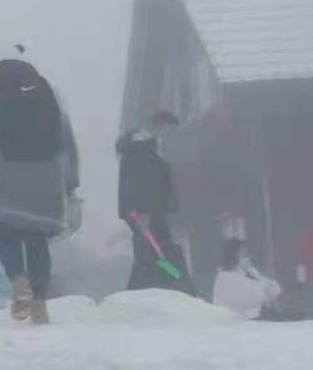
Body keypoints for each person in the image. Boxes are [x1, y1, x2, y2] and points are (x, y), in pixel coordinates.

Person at [0, 55, 80, 324]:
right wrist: (71, 185)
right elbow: (66, 142)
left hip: (2, 181)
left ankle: (19, 282)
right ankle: (40, 304)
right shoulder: (47, 96)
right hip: (45, 182)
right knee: (38, 243)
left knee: (6, 237)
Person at [118, 111, 193, 295]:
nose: (169, 134)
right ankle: (137, 296)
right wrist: (142, 214)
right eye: (169, 129)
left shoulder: (144, 148)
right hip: (145, 213)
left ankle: (174, 289)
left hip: (151, 212)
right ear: (160, 125)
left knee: (160, 254)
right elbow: (140, 185)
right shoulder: (140, 150)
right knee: (148, 257)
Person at [210, 238, 283, 320]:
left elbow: (275, 289)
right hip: (234, 328)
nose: (248, 258)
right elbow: (259, 296)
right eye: (244, 255)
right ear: (234, 257)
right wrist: (258, 280)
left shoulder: (242, 276)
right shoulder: (226, 278)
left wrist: (256, 275)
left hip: (245, 327)